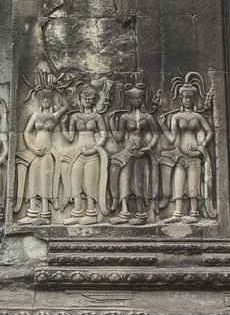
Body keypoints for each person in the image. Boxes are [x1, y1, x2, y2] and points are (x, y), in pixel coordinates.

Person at [159, 72, 216, 224]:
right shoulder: (176, 117)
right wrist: (163, 126)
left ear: (195, 98)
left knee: (193, 185)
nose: (189, 100)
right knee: (178, 185)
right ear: (181, 98)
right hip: (180, 155)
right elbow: (172, 139)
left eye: (191, 97)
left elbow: (210, 132)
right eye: (186, 97)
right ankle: (177, 213)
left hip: (195, 157)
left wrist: (201, 147)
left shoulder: (198, 117)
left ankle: (194, 213)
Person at [15, 73, 70, 225]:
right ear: (39, 100)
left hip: (47, 153)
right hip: (34, 152)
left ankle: (45, 215)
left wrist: (60, 91)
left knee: (45, 180)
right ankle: (32, 213)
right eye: (43, 98)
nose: (45, 100)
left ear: (52, 99)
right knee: (33, 180)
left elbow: (66, 107)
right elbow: (26, 132)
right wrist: (32, 148)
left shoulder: (54, 116)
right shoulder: (35, 116)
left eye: (48, 98)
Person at [110, 82, 160, 225]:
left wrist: (149, 148)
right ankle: (124, 212)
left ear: (143, 99)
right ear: (128, 100)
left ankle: (141, 213)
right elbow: (119, 138)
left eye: (138, 98)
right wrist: (111, 124)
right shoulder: (125, 117)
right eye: (133, 98)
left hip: (141, 151)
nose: (136, 101)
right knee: (124, 179)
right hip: (127, 151)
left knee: (139, 182)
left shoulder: (148, 117)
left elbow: (156, 135)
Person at [62, 85, 110, 225]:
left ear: (94, 100)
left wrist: (95, 149)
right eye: (85, 98)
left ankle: (91, 213)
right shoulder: (75, 117)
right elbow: (70, 138)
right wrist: (63, 126)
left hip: (92, 154)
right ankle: (77, 212)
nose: (88, 101)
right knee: (75, 182)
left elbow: (104, 135)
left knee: (90, 184)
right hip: (78, 153)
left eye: (91, 99)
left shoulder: (97, 117)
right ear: (80, 99)